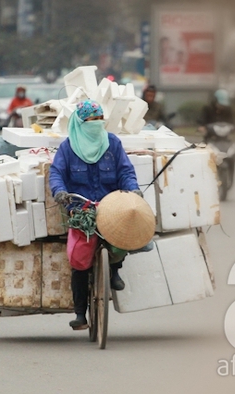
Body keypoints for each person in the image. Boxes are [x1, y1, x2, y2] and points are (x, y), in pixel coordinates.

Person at [49, 99, 142, 330]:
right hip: (81, 209)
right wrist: (60, 192)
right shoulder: (68, 147)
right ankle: (81, 314)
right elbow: (56, 173)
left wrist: (133, 188)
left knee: (123, 238)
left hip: (112, 205)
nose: (96, 124)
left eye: (100, 120)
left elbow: (125, 171)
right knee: (79, 261)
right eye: (90, 121)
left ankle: (114, 269)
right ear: (80, 123)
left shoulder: (112, 143)